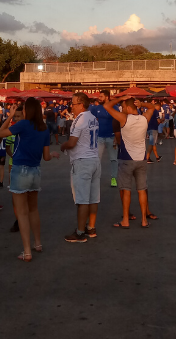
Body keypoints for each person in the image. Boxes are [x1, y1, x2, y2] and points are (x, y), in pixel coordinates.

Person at [0, 98, 58, 261]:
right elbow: (46, 157)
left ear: (27, 111)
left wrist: (9, 117)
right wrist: (52, 155)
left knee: (22, 213)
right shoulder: (44, 128)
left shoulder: (23, 125)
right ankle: (37, 243)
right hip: (35, 170)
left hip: (20, 169)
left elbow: (0, 133)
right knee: (33, 209)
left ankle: (27, 251)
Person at [103, 95, 156, 229]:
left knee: (126, 190)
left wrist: (120, 99)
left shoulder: (124, 118)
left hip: (126, 158)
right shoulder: (144, 118)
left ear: (127, 107)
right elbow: (152, 107)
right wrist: (142, 104)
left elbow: (106, 106)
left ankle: (125, 220)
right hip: (141, 159)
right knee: (142, 190)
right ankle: (144, 220)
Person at [59, 93, 100, 243]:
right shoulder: (93, 118)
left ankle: (80, 232)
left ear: (81, 105)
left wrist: (63, 146)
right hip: (94, 159)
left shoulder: (80, 119)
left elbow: (72, 143)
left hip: (82, 161)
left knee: (82, 199)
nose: (72, 106)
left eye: (74, 104)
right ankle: (91, 227)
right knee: (93, 198)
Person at [90, 90, 118, 187]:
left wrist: (117, 136)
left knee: (113, 159)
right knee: (97, 159)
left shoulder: (115, 108)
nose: (99, 98)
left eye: (101, 96)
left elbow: (118, 121)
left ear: (107, 97)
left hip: (112, 136)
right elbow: (91, 120)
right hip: (99, 137)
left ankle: (114, 178)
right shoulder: (96, 108)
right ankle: (96, 178)